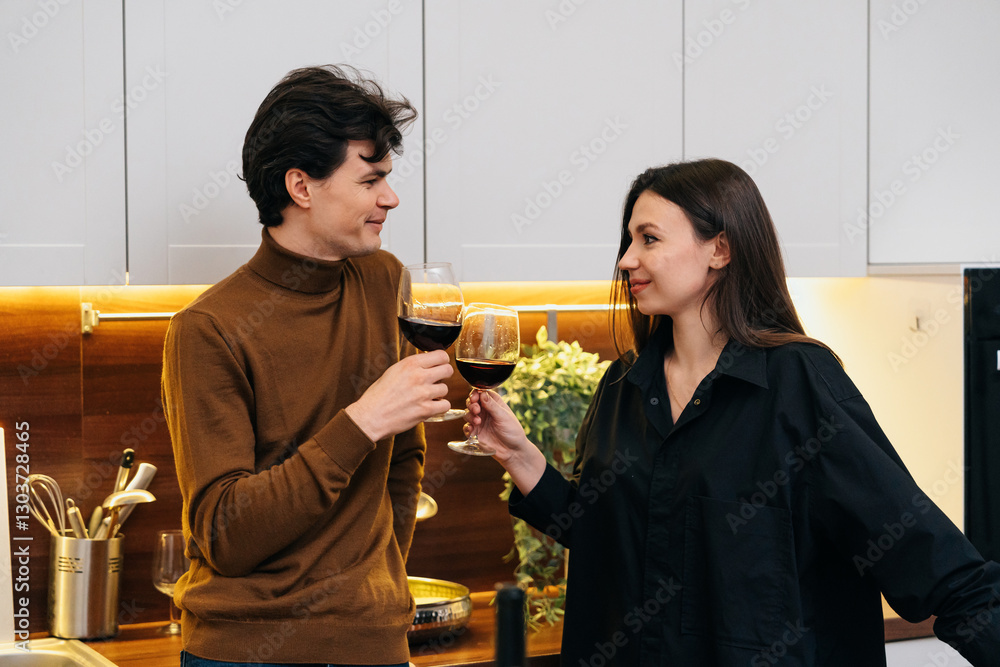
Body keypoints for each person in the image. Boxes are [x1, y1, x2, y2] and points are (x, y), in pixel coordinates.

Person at [466, 159, 1000, 665]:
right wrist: (520, 456)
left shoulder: (797, 382)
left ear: (719, 250)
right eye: (629, 241)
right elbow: (607, 536)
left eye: (649, 239)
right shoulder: (624, 383)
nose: (626, 259)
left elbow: (919, 550)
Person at [161, 65, 453, 666]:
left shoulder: (385, 282)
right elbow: (225, 535)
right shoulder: (207, 329)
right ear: (301, 186)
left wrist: (371, 588)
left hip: (374, 645)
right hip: (242, 653)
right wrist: (362, 421)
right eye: (371, 180)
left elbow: (405, 458)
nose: (391, 198)